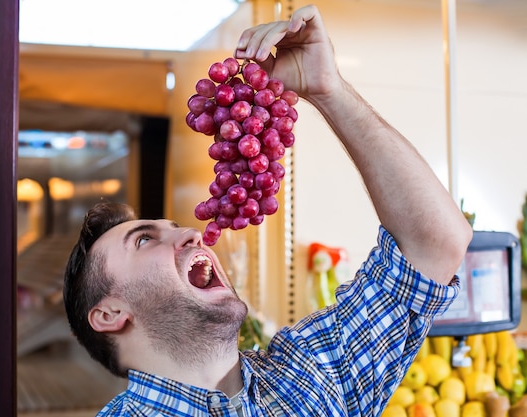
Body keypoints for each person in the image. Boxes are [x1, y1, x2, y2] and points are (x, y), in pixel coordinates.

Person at [63, 4, 473, 416]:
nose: (188, 232)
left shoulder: (312, 373)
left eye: (170, 227)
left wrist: (328, 89)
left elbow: (437, 245)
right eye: (145, 240)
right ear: (111, 313)